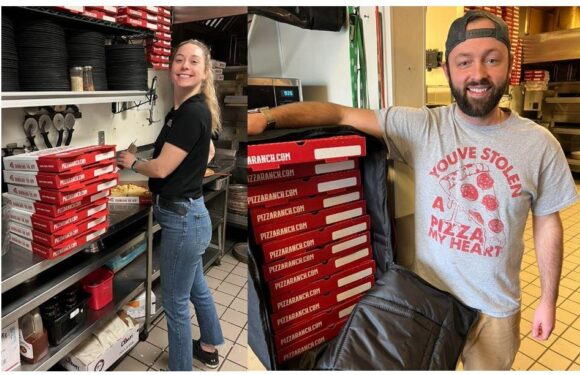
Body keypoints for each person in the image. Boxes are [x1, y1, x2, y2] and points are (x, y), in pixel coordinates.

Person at [248, 10, 578, 370]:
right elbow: (338, 114)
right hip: (428, 305)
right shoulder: (422, 126)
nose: (478, 74)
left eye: (492, 60)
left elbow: (548, 222)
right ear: (447, 70)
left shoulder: (540, 144)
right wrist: (267, 118)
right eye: (464, 62)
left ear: (509, 66)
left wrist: (548, 299)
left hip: (495, 310)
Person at [118, 39, 224, 371]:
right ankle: (208, 347)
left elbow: (162, 168)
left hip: (182, 220)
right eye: (179, 59)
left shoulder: (191, 112)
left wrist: (134, 163)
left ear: (204, 71)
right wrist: (177, 165)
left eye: (193, 61)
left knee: (176, 303)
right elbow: (206, 152)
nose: (184, 66)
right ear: (170, 67)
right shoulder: (186, 110)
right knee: (196, 287)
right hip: (190, 215)